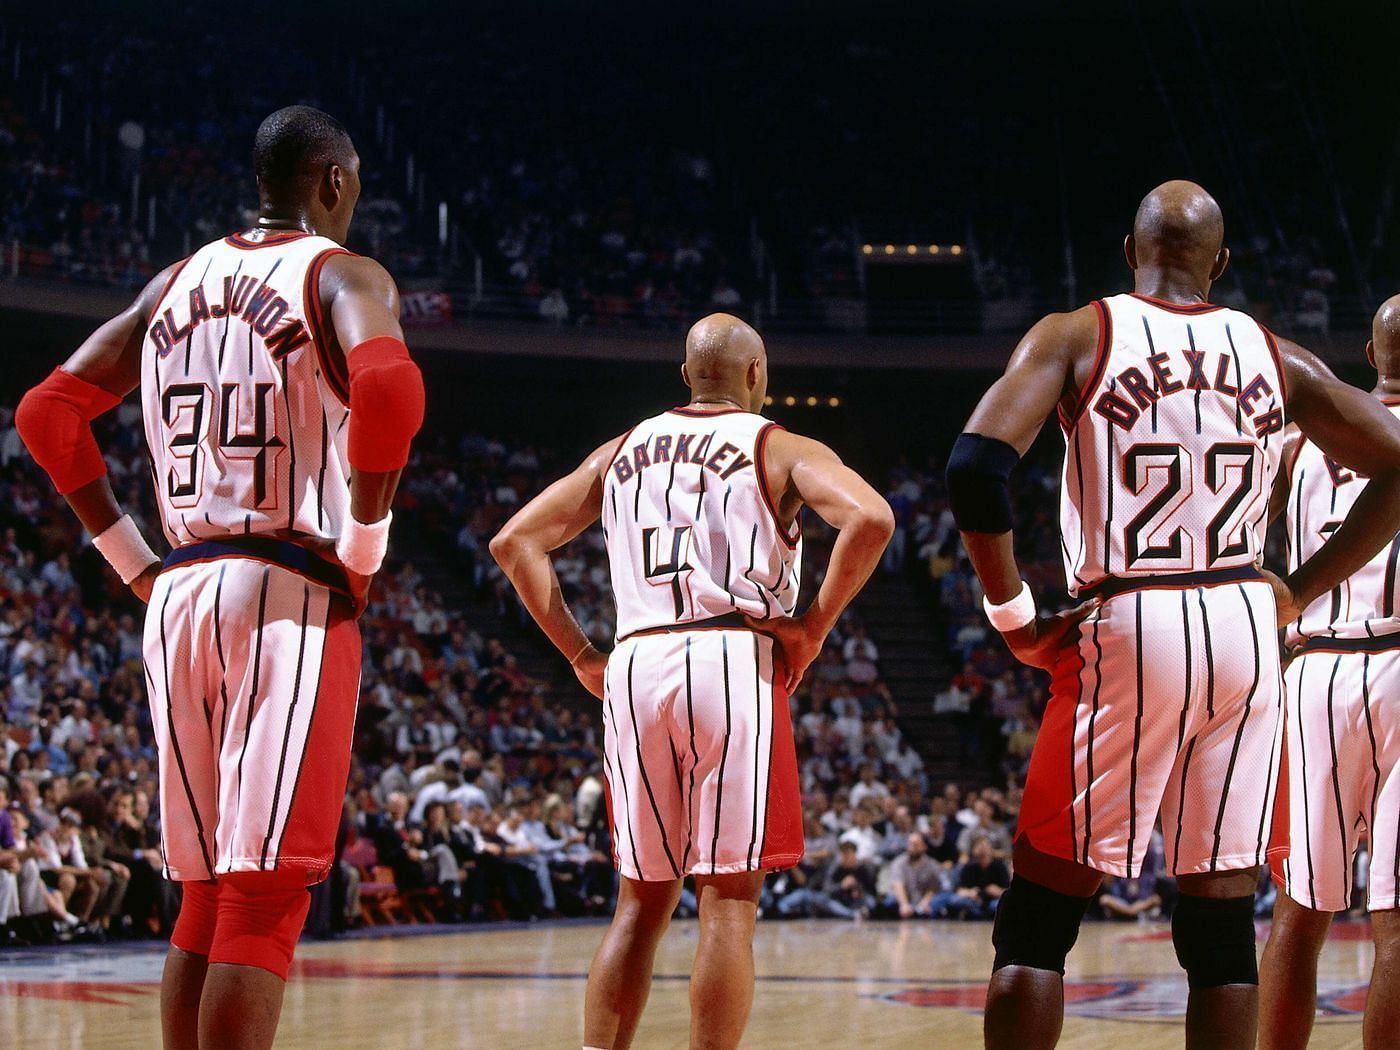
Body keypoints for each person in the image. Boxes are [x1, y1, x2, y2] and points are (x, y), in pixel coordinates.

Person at [945, 180, 1400, 1050]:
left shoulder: (1079, 332)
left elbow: (975, 466)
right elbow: (1396, 464)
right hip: (1244, 629)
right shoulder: (1275, 355)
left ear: (1130, 251)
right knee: (1221, 928)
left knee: (1039, 916)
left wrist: (1011, 614)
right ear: (1221, 264)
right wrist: (1298, 586)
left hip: (1128, 620)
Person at [15, 105, 424, 1050]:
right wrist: (365, 547)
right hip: (284, 585)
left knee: (205, 894)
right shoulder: (340, 271)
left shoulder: (172, 282)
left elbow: (48, 413)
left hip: (180, 592)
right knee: (265, 897)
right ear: (331, 181)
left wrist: (128, 559)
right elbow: (391, 391)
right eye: (354, 180)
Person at [491, 312, 892, 1050]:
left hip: (637, 662)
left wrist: (582, 655)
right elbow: (870, 517)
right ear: (756, 375)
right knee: (729, 905)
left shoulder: (621, 450)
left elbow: (514, 540)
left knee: (639, 905)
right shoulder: (778, 444)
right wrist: (813, 626)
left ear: (685, 376)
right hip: (731, 658)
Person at [1258, 297, 1400, 1049]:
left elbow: (1248, 552)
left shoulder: (1292, 447)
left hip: (1312, 672)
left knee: (1299, 907)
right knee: (1397, 915)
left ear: (1372, 358)